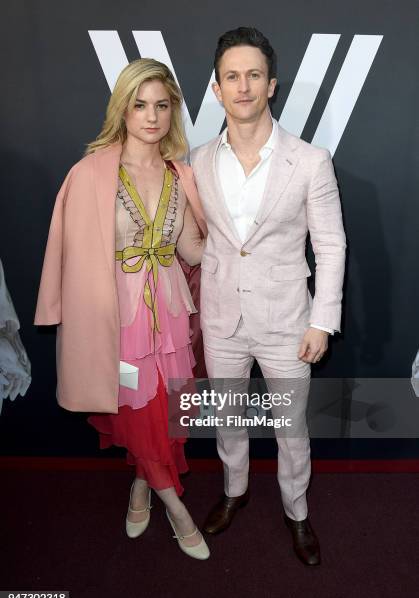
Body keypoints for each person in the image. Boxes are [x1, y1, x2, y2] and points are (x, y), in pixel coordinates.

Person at [35, 58, 210, 560]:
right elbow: (65, 250)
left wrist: (247, 253)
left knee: (163, 410)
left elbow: (192, 248)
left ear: (172, 111)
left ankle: (141, 485)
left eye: (161, 105)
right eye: (140, 105)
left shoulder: (183, 174)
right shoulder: (90, 173)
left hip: (173, 314)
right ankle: (177, 510)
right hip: (117, 316)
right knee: (138, 412)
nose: (151, 116)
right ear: (123, 109)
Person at [191, 27, 346, 565]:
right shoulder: (199, 159)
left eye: (253, 75)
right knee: (229, 419)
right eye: (232, 76)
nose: (243, 86)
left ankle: (297, 511)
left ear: (272, 84)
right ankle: (234, 492)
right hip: (222, 318)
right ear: (216, 88)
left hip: (288, 322)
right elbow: (201, 238)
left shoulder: (309, 160)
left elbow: (330, 244)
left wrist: (322, 322)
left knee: (290, 428)